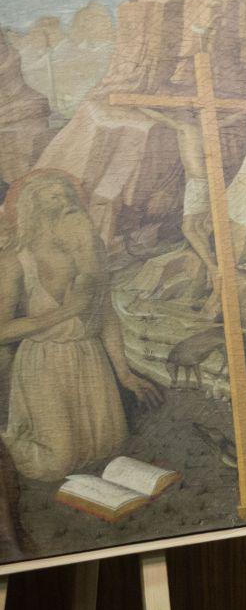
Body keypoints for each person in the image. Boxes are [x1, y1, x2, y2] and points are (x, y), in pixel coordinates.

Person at [0, 170, 161, 482]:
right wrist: (63, 314)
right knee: (55, 464)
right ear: (36, 209)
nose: (66, 204)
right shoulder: (16, 260)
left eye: (69, 197)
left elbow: (106, 315)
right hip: (43, 364)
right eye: (55, 198)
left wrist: (124, 373)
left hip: (89, 360)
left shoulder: (90, 250)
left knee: (109, 450)